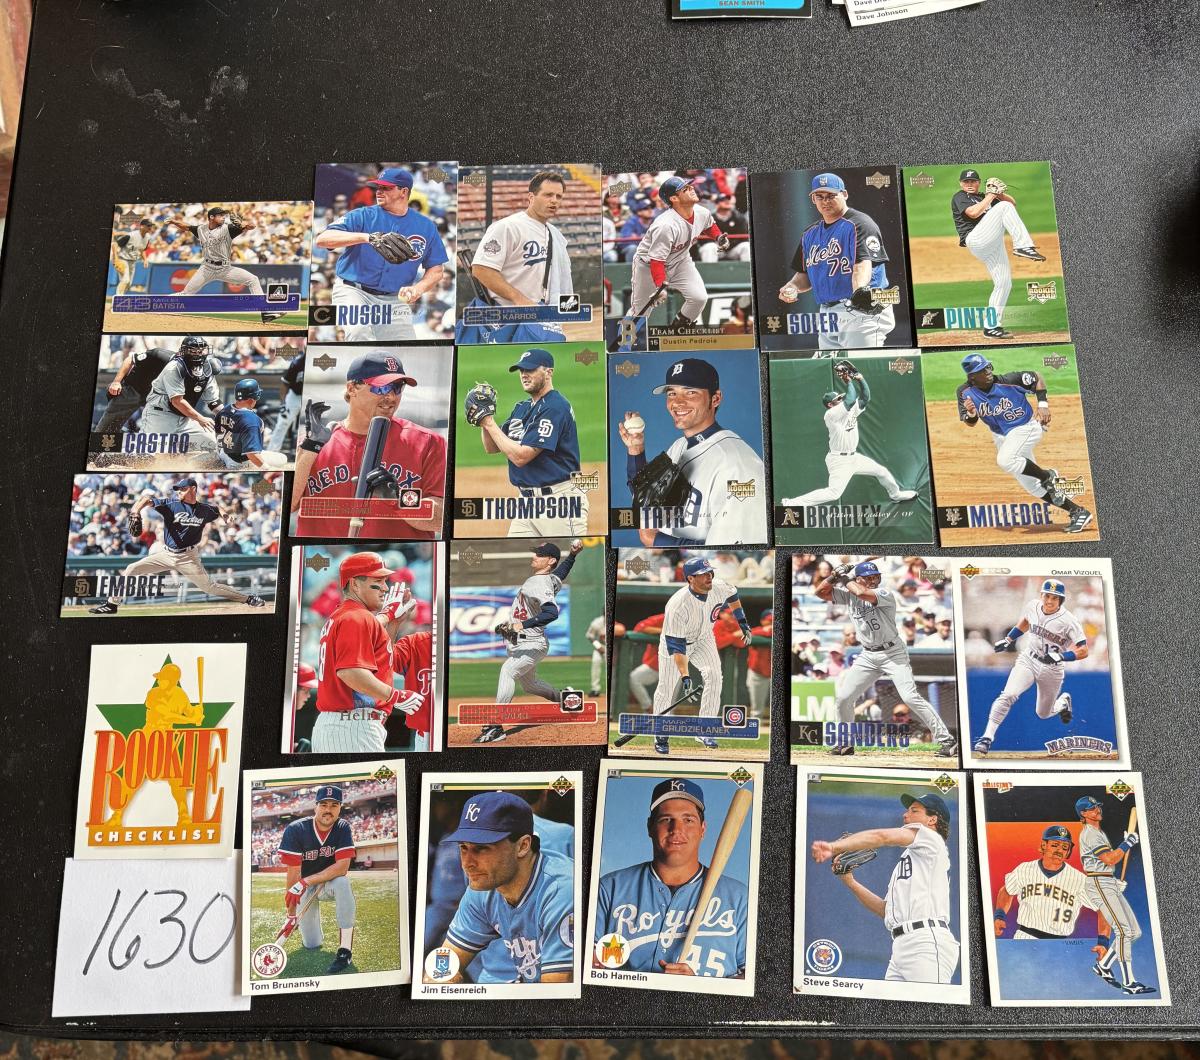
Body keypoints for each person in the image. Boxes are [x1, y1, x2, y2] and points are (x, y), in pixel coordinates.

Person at [593, 777, 747, 978]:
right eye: (666, 819)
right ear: (650, 827)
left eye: (688, 820)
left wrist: (701, 987)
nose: (676, 829)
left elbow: (752, 980)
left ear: (702, 829)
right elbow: (587, 967)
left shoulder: (739, 898)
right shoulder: (610, 889)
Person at [292, 352, 446, 539]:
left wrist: (398, 499)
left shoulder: (427, 442)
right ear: (352, 388)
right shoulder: (312, 444)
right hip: (324, 556)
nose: (391, 396)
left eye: (397, 387)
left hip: (395, 555)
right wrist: (311, 448)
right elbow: (288, 505)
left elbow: (441, 518)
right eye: (381, 388)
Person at [811, 792, 959, 984]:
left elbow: (881, 836)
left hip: (927, 943)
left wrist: (834, 847)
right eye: (907, 810)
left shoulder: (932, 839)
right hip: (902, 945)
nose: (905, 814)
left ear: (932, 820)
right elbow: (885, 910)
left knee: (930, 1003)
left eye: (914, 811)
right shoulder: (911, 861)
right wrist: (850, 882)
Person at [427, 791, 574, 984]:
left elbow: (556, 991)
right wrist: (437, 980)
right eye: (463, 848)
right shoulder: (482, 888)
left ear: (523, 846)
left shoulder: (561, 890)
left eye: (481, 848)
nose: (467, 864)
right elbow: (445, 962)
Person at [813, 561, 957, 757]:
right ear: (859, 579)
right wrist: (833, 577)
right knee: (844, 698)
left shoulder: (884, 593)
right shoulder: (849, 595)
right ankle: (845, 743)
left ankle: (946, 740)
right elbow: (820, 592)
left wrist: (844, 577)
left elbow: (861, 592)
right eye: (869, 577)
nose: (874, 580)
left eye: (875, 576)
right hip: (868, 655)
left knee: (910, 697)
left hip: (893, 653)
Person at [618, 357, 767, 547]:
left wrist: (657, 540)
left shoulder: (739, 466)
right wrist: (636, 450)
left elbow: (734, 547)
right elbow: (646, 497)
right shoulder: (679, 446)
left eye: (690, 392)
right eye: (672, 393)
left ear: (715, 399)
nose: (677, 402)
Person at [957, 353, 1093, 534]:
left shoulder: (1009, 381)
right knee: (1032, 486)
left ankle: (1047, 476)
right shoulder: (964, 392)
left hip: (1026, 427)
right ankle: (1078, 512)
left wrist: (1043, 405)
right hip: (1002, 437)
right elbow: (970, 422)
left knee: (1005, 460)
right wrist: (972, 414)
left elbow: (1037, 377)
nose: (988, 371)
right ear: (972, 376)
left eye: (988, 367)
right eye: (982, 370)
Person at [87, 478, 266, 615]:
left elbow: (217, 509)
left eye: (182, 488)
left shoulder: (204, 509)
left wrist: (225, 516)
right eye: (178, 489)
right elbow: (146, 499)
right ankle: (112, 604)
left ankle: (248, 598)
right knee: (131, 568)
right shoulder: (171, 505)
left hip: (189, 557)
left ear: (193, 489)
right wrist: (135, 510)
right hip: (166, 554)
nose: (178, 491)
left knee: (209, 587)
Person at [314, 167, 449, 341]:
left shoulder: (426, 226)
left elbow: (436, 270)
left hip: (394, 299)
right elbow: (323, 239)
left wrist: (418, 289)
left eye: (386, 188)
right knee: (358, 331)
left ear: (403, 192)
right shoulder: (363, 215)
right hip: (354, 290)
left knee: (404, 346)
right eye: (378, 187)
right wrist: (366, 237)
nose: (379, 191)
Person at [470, 347, 588, 537]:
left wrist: (490, 423)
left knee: (559, 555)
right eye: (521, 370)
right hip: (525, 504)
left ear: (548, 372)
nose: (524, 374)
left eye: (530, 369)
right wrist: (485, 418)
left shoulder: (555, 407)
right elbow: (491, 447)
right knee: (516, 554)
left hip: (559, 503)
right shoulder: (522, 407)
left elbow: (521, 457)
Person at [311, 551, 422, 753]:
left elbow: (380, 655)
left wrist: (392, 621)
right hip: (352, 726)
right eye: (378, 581)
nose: (385, 588)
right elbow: (350, 672)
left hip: (342, 726)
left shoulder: (345, 615)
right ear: (355, 584)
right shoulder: (356, 618)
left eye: (385, 581)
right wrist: (396, 696)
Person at [475, 540, 584, 744]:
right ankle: (566, 699)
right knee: (530, 685)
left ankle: (495, 726)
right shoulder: (548, 580)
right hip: (523, 643)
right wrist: (572, 556)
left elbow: (551, 613)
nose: (534, 556)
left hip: (531, 643)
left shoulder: (539, 583)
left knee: (508, 671)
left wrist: (521, 625)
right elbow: (560, 574)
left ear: (550, 561)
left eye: (540, 555)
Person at [777, 173, 895, 349]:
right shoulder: (809, 234)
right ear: (813, 199)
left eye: (831, 195)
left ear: (844, 194)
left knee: (863, 363)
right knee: (832, 366)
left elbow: (862, 265)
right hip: (828, 314)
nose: (825, 201)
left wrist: (859, 291)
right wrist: (792, 286)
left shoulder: (859, 224)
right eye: (820, 196)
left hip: (861, 309)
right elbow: (804, 275)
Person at [973, 578, 1089, 755]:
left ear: (1061, 600)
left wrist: (1062, 656)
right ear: (1041, 595)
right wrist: (1008, 639)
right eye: (1047, 596)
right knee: (1008, 695)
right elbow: (1026, 622)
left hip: (1052, 668)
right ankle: (987, 737)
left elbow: (1084, 650)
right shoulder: (1033, 606)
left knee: (1043, 713)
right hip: (1028, 659)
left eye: (1054, 598)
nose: (1049, 601)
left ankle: (1062, 703)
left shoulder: (1069, 620)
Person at [460, 170, 577, 343]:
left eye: (559, 196)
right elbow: (481, 269)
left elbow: (562, 278)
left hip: (540, 319)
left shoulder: (556, 234)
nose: (554, 200)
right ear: (531, 197)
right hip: (506, 319)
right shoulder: (508, 227)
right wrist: (519, 299)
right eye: (548, 195)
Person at [650, 557, 751, 755]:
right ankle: (660, 734)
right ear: (690, 579)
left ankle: (705, 729)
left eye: (709, 572)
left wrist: (742, 621)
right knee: (666, 688)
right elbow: (677, 647)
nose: (709, 576)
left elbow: (733, 594)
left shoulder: (719, 586)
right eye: (702, 574)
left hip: (704, 638)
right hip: (677, 646)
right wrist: (685, 676)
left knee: (714, 676)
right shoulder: (678, 605)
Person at [780, 361, 917, 507]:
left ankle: (895, 495)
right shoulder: (831, 415)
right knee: (834, 493)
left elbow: (865, 398)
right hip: (839, 461)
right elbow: (851, 400)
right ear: (830, 405)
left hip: (854, 457)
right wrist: (849, 382)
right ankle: (792, 503)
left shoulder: (849, 410)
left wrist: (861, 379)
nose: (841, 400)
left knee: (882, 472)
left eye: (841, 397)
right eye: (837, 399)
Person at [98, 661, 203, 829]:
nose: (159, 681)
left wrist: (197, 712)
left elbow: (189, 710)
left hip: (167, 740)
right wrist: (191, 720)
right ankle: (117, 816)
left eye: (163, 678)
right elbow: (166, 715)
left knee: (177, 778)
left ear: (173, 681)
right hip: (148, 738)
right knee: (133, 777)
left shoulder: (180, 695)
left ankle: (183, 815)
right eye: (159, 678)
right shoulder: (154, 693)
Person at [950, 169, 1045, 340]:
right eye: (966, 182)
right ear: (961, 183)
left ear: (979, 182)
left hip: (993, 244)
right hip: (976, 239)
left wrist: (999, 193)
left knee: (1004, 283)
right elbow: (973, 213)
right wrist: (991, 196)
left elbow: (1012, 204)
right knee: (1003, 207)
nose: (969, 184)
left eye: (973, 181)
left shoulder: (985, 196)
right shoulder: (960, 196)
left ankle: (991, 327)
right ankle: (1023, 245)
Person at [1075, 794, 1155, 994]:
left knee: (1134, 932)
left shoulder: (1098, 832)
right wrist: (1127, 843)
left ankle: (1103, 966)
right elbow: (1110, 859)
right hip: (1098, 881)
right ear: (1083, 813)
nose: (1097, 810)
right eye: (1092, 808)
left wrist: (1113, 880)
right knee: (1124, 931)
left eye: (1097, 806)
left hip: (1106, 880)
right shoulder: (1090, 834)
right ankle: (1129, 983)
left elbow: (1107, 863)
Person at [629, 175, 729, 330]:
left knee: (699, 298)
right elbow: (657, 260)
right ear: (674, 198)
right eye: (685, 189)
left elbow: (709, 226)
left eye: (690, 186)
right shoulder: (665, 225)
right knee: (641, 311)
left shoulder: (701, 212)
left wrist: (719, 237)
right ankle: (626, 340)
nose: (692, 189)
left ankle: (677, 332)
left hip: (681, 260)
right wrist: (659, 287)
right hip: (648, 266)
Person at [278, 784, 358, 974]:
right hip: (305, 887)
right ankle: (310, 933)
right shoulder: (296, 829)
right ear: (315, 806)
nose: (328, 810)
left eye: (334, 805)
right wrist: (291, 915)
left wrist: (306, 881)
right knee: (312, 944)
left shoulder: (342, 827)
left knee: (343, 882)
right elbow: (293, 873)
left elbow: (342, 867)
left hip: (328, 883)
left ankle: (345, 951)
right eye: (323, 805)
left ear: (340, 808)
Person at [992, 825, 1108, 942]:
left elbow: (1104, 908)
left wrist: (1103, 941)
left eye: (1064, 847)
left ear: (1068, 851)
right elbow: (1007, 890)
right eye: (1055, 845)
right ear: (1044, 845)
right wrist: (999, 916)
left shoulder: (1079, 879)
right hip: (1025, 936)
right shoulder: (1024, 869)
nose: (1059, 850)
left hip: (1059, 943)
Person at [169, 206, 283, 325]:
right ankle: (161, 303)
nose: (223, 217)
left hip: (225, 269)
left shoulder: (228, 228)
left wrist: (242, 224)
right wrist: (174, 222)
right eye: (220, 215)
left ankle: (265, 312)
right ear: (211, 217)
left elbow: (251, 226)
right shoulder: (201, 229)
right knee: (186, 294)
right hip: (206, 268)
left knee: (253, 279)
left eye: (224, 215)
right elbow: (186, 227)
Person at [136, 336, 222, 454]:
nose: (198, 353)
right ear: (184, 351)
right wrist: (201, 419)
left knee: (213, 443)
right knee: (146, 455)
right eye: (193, 350)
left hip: (184, 419)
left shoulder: (208, 368)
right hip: (160, 415)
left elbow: (214, 402)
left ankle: (181, 457)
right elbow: (177, 401)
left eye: (201, 350)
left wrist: (229, 418)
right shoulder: (175, 367)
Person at [93, 342, 175, 435]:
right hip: (133, 389)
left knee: (165, 429)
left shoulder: (186, 368)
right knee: (104, 431)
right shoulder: (160, 354)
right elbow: (130, 359)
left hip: (156, 396)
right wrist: (116, 382)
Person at [215, 379, 286, 469]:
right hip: (238, 462)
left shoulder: (224, 410)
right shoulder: (251, 420)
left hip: (223, 454)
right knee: (283, 458)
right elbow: (252, 454)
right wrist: (267, 468)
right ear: (253, 398)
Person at [267, 349, 305, 451]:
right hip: (295, 396)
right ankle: (272, 452)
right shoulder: (297, 363)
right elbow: (285, 384)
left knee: (312, 427)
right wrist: (283, 404)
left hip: (310, 396)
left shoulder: (317, 363)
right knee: (282, 423)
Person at [111, 217, 158, 296]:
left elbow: (142, 249)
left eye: (151, 225)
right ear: (142, 226)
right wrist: (115, 258)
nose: (150, 227)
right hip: (123, 259)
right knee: (125, 280)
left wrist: (145, 259)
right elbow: (114, 244)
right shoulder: (131, 235)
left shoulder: (147, 237)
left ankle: (120, 298)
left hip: (133, 262)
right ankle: (117, 299)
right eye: (148, 225)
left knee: (128, 284)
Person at [746, 609, 773, 718]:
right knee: (756, 710)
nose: (772, 624)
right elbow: (748, 636)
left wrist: (768, 633)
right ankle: (755, 726)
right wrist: (768, 634)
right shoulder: (755, 631)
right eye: (770, 621)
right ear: (762, 621)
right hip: (758, 673)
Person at [586, 613, 606, 697]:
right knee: (595, 661)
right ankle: (595, 689)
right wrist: (598, 646)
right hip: (600, 646)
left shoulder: (616, 623)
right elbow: (589, 636)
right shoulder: (597, 622)